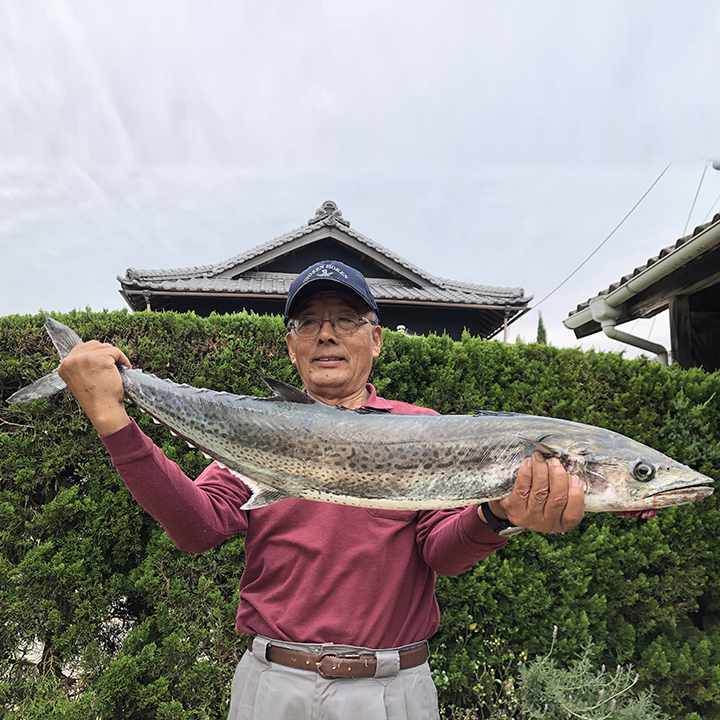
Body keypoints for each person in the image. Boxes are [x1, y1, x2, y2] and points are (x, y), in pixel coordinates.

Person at [58, 260, 585, 720]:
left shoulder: (423, 429)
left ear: (376, 339)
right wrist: (111, 420)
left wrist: (496, 516)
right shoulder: (260, 428)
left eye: (347, 320)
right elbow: (197, 527)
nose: (326, 334)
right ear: (292, 348)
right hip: (275, 685)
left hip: (391, 690)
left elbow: (440, 553)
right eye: (308, 323)